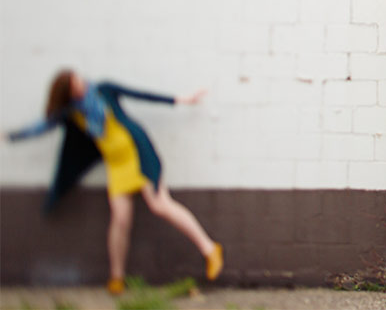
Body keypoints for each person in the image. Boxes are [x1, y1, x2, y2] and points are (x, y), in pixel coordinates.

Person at [6, 68, 223, 294]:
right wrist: (10, 136)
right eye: (74, 85)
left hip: (138, 154)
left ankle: (210, 249)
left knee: (159, 204)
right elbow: (43, 126)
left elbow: (140, 95)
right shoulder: (72, 112)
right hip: (116, 165)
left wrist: (181, 100)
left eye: (79, 80)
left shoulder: (104, 90)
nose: (81, 85)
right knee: (120, 219)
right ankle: (116, 277)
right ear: (67, 94)